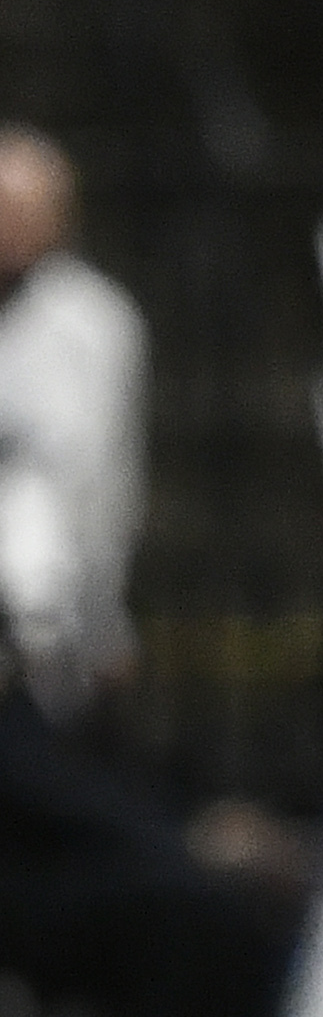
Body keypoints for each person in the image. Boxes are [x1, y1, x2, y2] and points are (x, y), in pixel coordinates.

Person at [0, 141, 140, 720]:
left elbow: (101, 479)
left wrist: (102, 622)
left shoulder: (92, 325)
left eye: (27, 210)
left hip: (43, 624)